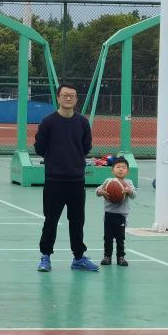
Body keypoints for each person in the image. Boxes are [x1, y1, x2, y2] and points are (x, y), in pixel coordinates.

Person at [34, 84, 98, 272]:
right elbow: (39, 148)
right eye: (65, 95)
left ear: (76, 99)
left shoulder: (82, 123)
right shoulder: (48, 122)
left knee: (77, 221)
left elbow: (86, 147)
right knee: (51, 220)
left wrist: (74, 162)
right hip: (54, 181)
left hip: (76, 181)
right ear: (58, 98)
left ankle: (78, 258)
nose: (68, 98)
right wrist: (55, 162)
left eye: (72, 95)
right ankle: (45, 256)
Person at [96, 157, 136, 266]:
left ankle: (121, 257)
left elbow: (134, 196)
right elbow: (98, 190)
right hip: (108, 214)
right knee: (108, 237)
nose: (121, 169)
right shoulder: (108, 181)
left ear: (128, 171)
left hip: (121, 215)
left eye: (123, 167)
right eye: (118, 167)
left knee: (120, 238)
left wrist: (129, 191)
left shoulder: (128, 183)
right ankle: (107, 256)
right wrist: (100, 192)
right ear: (112, 170)